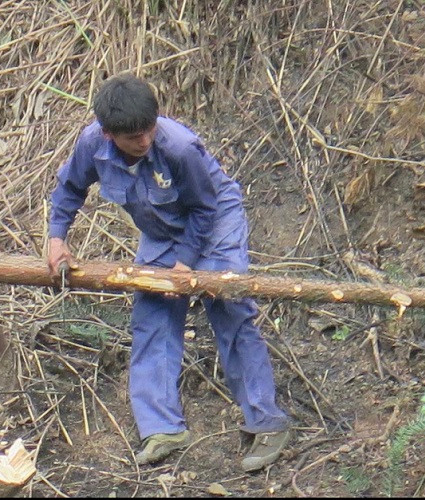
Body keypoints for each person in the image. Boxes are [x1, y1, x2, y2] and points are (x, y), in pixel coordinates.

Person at [46, 73, 291, 472]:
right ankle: (163, 428)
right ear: (109, 135)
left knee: (228, 307)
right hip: (160, 230)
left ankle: (266, 421)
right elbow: (69, 189)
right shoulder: (92, 144)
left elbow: (205, 208)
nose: (144, 141)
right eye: (133, 137)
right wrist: (57, 237)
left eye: (149, 130)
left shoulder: (178, 147)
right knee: (152, 314)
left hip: (213, 223)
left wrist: (185, 266)